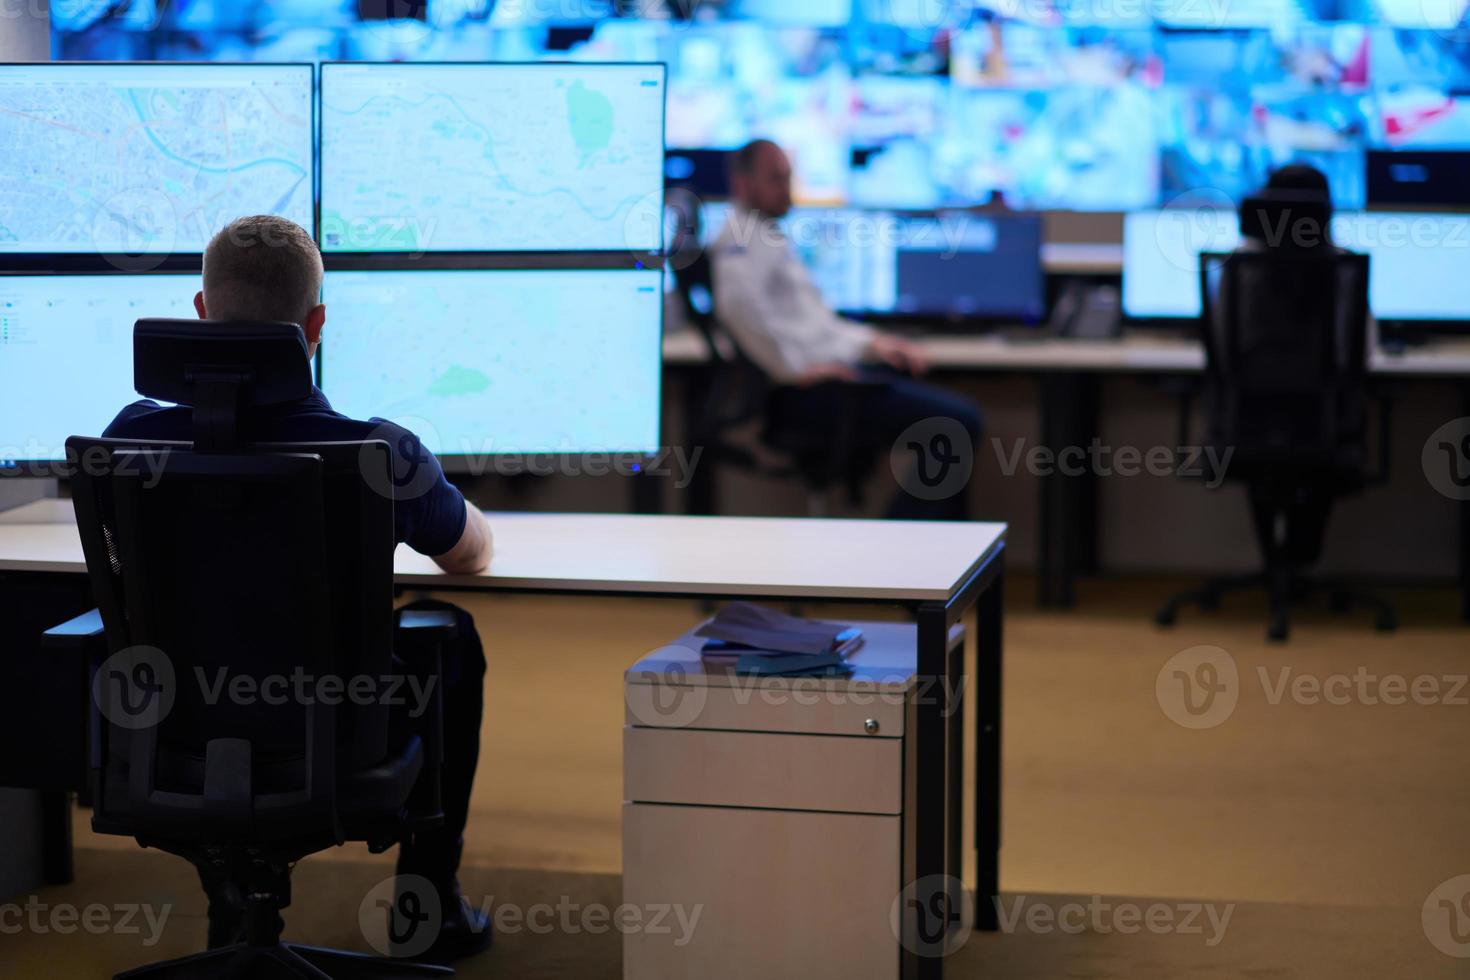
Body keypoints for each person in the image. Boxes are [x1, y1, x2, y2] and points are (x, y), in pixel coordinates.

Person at [102, 215, 494, 964]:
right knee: (449, 634)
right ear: (316, 325)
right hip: (338, 734)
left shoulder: (129, 439)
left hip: (173, 732)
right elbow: (468, 558)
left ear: (203, 312)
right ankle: (429, 901)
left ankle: (228, 900)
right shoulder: (378, 450)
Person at [710, 139, 983, 520]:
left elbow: (817, 326)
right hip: (806, 395)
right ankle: (906, 545)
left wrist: (875, 344)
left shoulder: (764, 235)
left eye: (788, 178)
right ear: (742, 184)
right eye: (775, 178)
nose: (786, 189)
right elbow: (739, 311)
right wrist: (792, 371)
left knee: (946, 412)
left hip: (826, 381)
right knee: (953, 425)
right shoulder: (739, 240)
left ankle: (926, 549)